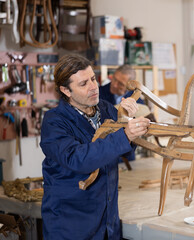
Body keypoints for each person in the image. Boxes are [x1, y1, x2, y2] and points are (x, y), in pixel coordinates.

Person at [40, 54, 150, 239]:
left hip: (107, 221)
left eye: (93, 79)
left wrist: (126, 120)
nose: (93, 87)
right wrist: (124, 135)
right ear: (66, 90)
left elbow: (120, 149)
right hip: (71, 226)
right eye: (83, 84)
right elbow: (78, 159)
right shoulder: (54, 122)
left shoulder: (106, 109)